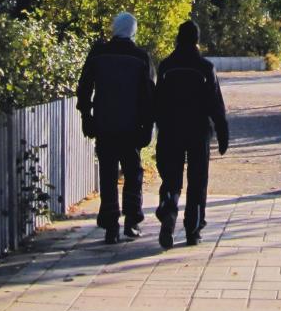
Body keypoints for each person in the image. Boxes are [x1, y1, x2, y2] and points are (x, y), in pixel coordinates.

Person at [76, 12, 155, 244]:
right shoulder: (141, 57)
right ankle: (132, 221)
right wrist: (148, 125)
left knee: (108, 174)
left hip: (104, 124)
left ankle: (111, 225)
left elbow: (84, 87)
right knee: (133, 174)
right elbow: (150, 96)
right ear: (133, 30)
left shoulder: (99, 54)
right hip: (131, 126)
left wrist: (86, 115)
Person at [155, 19, 229, 249]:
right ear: (197, 40)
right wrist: (222, 132)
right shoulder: (205, 68)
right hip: (198, 131)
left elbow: (157, 100)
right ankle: (193, 229)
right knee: (197, 180)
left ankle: (168, 208)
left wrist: (155, 125)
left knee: (171, 177)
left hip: (170, 130)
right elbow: (216, 104)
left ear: (178, 38)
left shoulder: (166, 66)